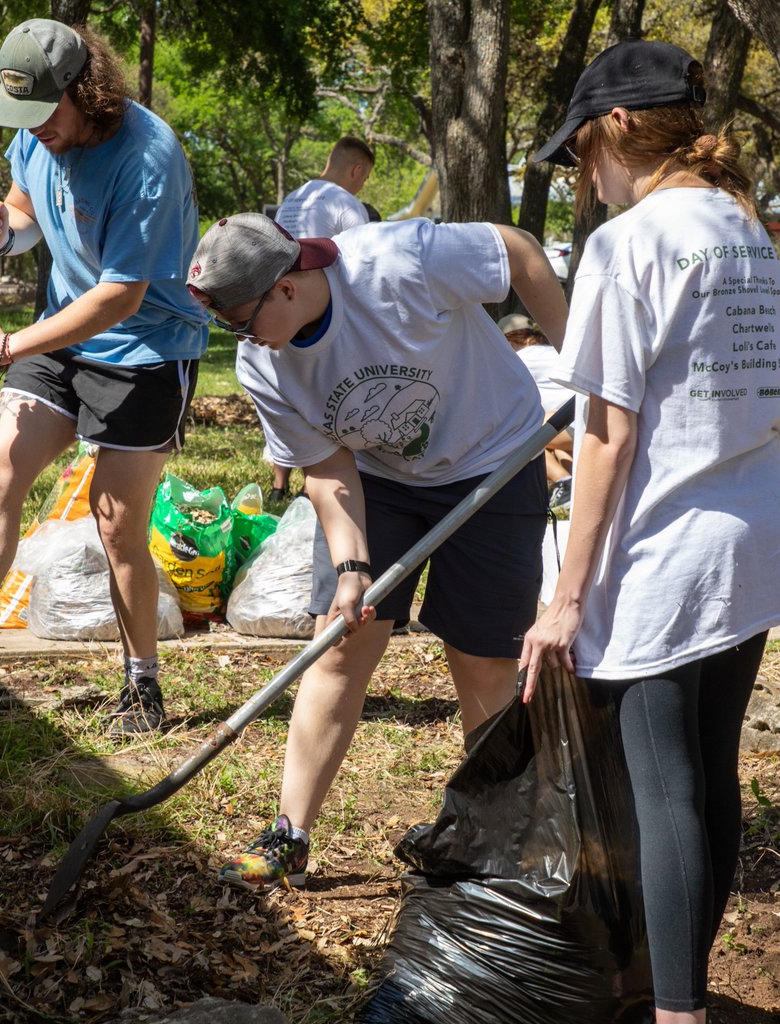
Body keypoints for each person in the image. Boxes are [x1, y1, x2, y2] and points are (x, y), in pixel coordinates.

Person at [518, 40, 780, 1024]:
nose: (582, 183)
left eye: (580, 161)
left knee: (666, 791)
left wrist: (564, 598)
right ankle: (671, 993)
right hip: (757, 532)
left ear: (614, 131)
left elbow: (606, 432)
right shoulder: (744, 231)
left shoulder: (628, 242)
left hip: (669, 550)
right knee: (712, 774)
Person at [186, 211, 567, 891]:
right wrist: (352, 565)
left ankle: (491, 838)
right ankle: (289, 833)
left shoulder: (398, 260)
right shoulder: (263, 364)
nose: (241, 339)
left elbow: (519, 252)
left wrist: (581, 360)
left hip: (495, 457)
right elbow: (327, 466)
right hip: (379, 477)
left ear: (287, 288)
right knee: (337, 642)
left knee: (482, 660)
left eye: (243, 321)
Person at [0, 19, 208, 735]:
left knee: (115, 517)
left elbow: (120, 296)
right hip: (60, 331)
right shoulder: (37, 134)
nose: (33, 130)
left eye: (43, 113)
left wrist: (7, 345)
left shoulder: (147, 156)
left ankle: (142, 685)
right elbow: (27, 210)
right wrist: (1, 228)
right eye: (20, 116)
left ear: (84, 92)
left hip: (147, 346)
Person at [265, 137, 376, 505]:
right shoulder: (346, 202)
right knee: (329, 395)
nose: (361, 186)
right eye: (364, 178)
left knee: (287, 393)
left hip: (281, 309)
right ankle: (328, 474)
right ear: (357, 170)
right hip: (326, 316)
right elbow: (361, 263)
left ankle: (279, 483)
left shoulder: (293, 199)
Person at [497, 312, 574, 502]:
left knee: (516, 431)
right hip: (585, 422)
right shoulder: (550, 352)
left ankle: (563, 482)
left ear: (508, 343)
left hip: (577, 422)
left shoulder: (522, 358)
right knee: (553, 446)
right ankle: (572, 490)